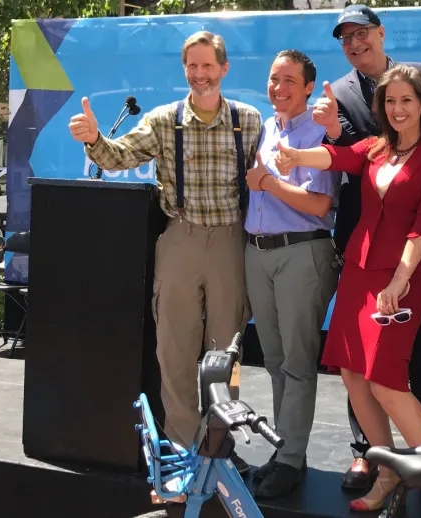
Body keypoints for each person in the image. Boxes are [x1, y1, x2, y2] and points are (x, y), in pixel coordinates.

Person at [67, 30, 259, 475]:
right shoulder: (161, 120)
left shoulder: (247, 120)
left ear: (224, 69)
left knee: (225, 353)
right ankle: (184, 447)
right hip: (181, 238)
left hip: (231, 240)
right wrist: (95, 138)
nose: (199, 74)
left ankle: (219, 446)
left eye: (208, 65)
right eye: (192, 65)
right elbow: (117, 156)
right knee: (174, 349)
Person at [274, 64, 421, 518]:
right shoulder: (376, 147)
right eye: (390, 101)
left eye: (407, 101)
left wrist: (400, 278)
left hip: (402, 277)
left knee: (387, 382)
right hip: (358, 272)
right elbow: (336, 157)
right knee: (354, 376)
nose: (397, 109)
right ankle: (388, 471)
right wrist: (295, 158)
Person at [314, 3, 421, 490]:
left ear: (380, 33)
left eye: (362, 34)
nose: (355, 44)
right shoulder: (342, 93)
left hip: (411, 253)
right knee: (358, 367)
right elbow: (350, 155)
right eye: (345, 38)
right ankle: (376, 459)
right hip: (360, 246)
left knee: (415, 363)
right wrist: (320, 138)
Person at [243, 49, 341, 498]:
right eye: (273, 78)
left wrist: (268, 183)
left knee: (298, 365)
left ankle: (290, 460)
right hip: (258, 253)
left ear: (307, 87)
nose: (278, 87)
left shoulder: (320, 132)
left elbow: (320, 206)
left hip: (302, 253)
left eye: (289, 80)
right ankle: (284, 452)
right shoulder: (265, 127)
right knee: (276, 363)